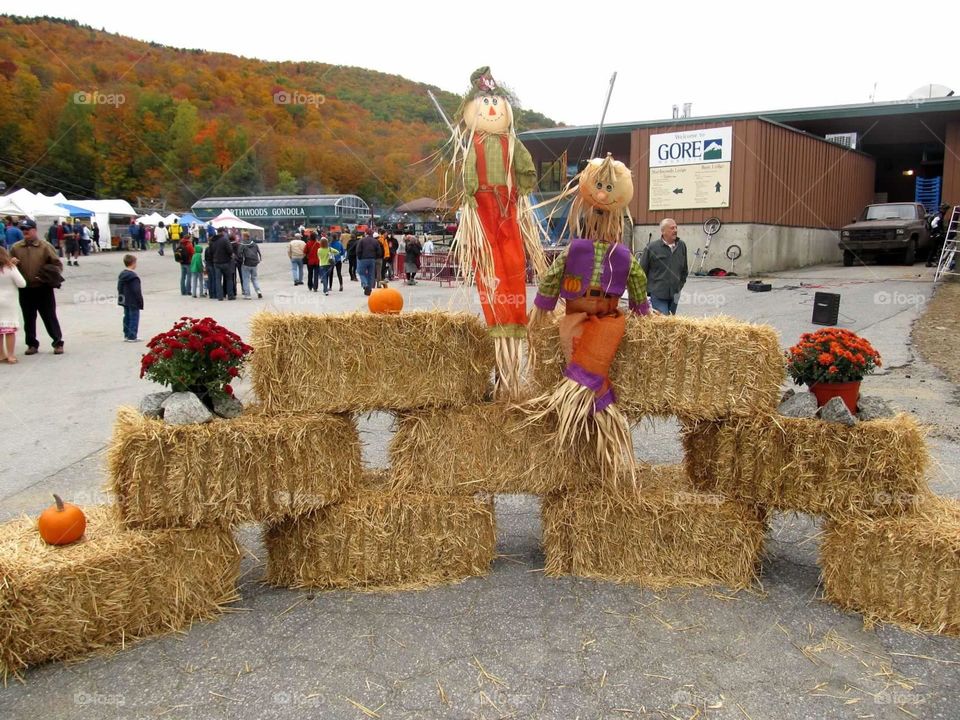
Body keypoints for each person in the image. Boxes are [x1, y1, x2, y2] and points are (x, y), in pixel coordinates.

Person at [10, 219, 64, 354]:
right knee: (28, 318)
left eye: (28, 229)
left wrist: (48, 276)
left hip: (43, 287)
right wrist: (12, 264)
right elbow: (7, 267)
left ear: (35, 230)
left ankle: (57, 342)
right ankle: (32, 344)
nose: (25, 231)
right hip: (25, 289)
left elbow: (57, 265)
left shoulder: (45, 246)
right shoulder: (16, 248)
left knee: (49, 316)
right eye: (23, 229)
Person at [639, 218, 688, 315]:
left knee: (671, 322)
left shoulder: (682, 246)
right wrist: (646, 291)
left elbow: (684, 270)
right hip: (658, 294)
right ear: (663, 231)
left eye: (676, 228)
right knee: (663, 319)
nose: (675, 230)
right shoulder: (651, 248)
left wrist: (679, 287)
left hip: (675, 294)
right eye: (671, 228)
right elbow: (642, 271)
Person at [0, 246, 26, 363]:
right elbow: (22, 284)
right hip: (9, 302)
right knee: (9, 330)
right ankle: (10, 355)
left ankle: (1, 354)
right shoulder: (11, 268)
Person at [117, 254, 143, 342]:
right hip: (133, 300)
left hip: (125, 299)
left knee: (127, 317)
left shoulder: (122, 275)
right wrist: (140, 300)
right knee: (134, 317)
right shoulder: (133, 277)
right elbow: (136, 290)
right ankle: (132, 336)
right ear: (133, 263)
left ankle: (127, 334)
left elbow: (119, 288)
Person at [209, 229, 236, 300]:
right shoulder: (225, 239)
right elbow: (230, 250)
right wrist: (230, 255)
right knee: (229, 279)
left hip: (216, 262)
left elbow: (210, 252)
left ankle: (219, 296)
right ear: (222, 232)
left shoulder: (212, 241)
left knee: (218, 280)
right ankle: (230, 295)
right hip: (225, 262)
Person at [356, 229, 383, 296]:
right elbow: (379, 251)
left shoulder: (362, 240)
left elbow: (358, 250)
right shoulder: (376, 241)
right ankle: (370, 288)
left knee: (361, 272)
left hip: (363, 258)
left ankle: (365, 284)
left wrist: (359, 257)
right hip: (372, 259)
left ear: (366, 233)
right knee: (371, 274)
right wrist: (375, 257)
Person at [236, 232, 263, 299]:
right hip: (254, 263)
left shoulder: (242, 244)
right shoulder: (254, 243)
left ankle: (247, 295)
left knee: (246, 279)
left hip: (246, 263)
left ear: (244, 237)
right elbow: (258, 252)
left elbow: (239, 253)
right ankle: (258, 291)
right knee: (254, 278)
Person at [927, 203, 952, 267]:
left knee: (934, 249)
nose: (946, 211)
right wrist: (939, 231)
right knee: (941, 247)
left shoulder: (938, 214)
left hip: (934, 235)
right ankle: (937, 261)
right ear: (944, 209)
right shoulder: (939, 215)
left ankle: (929, 262)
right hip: (936, 235)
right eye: (946, 209)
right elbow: (933, 224)